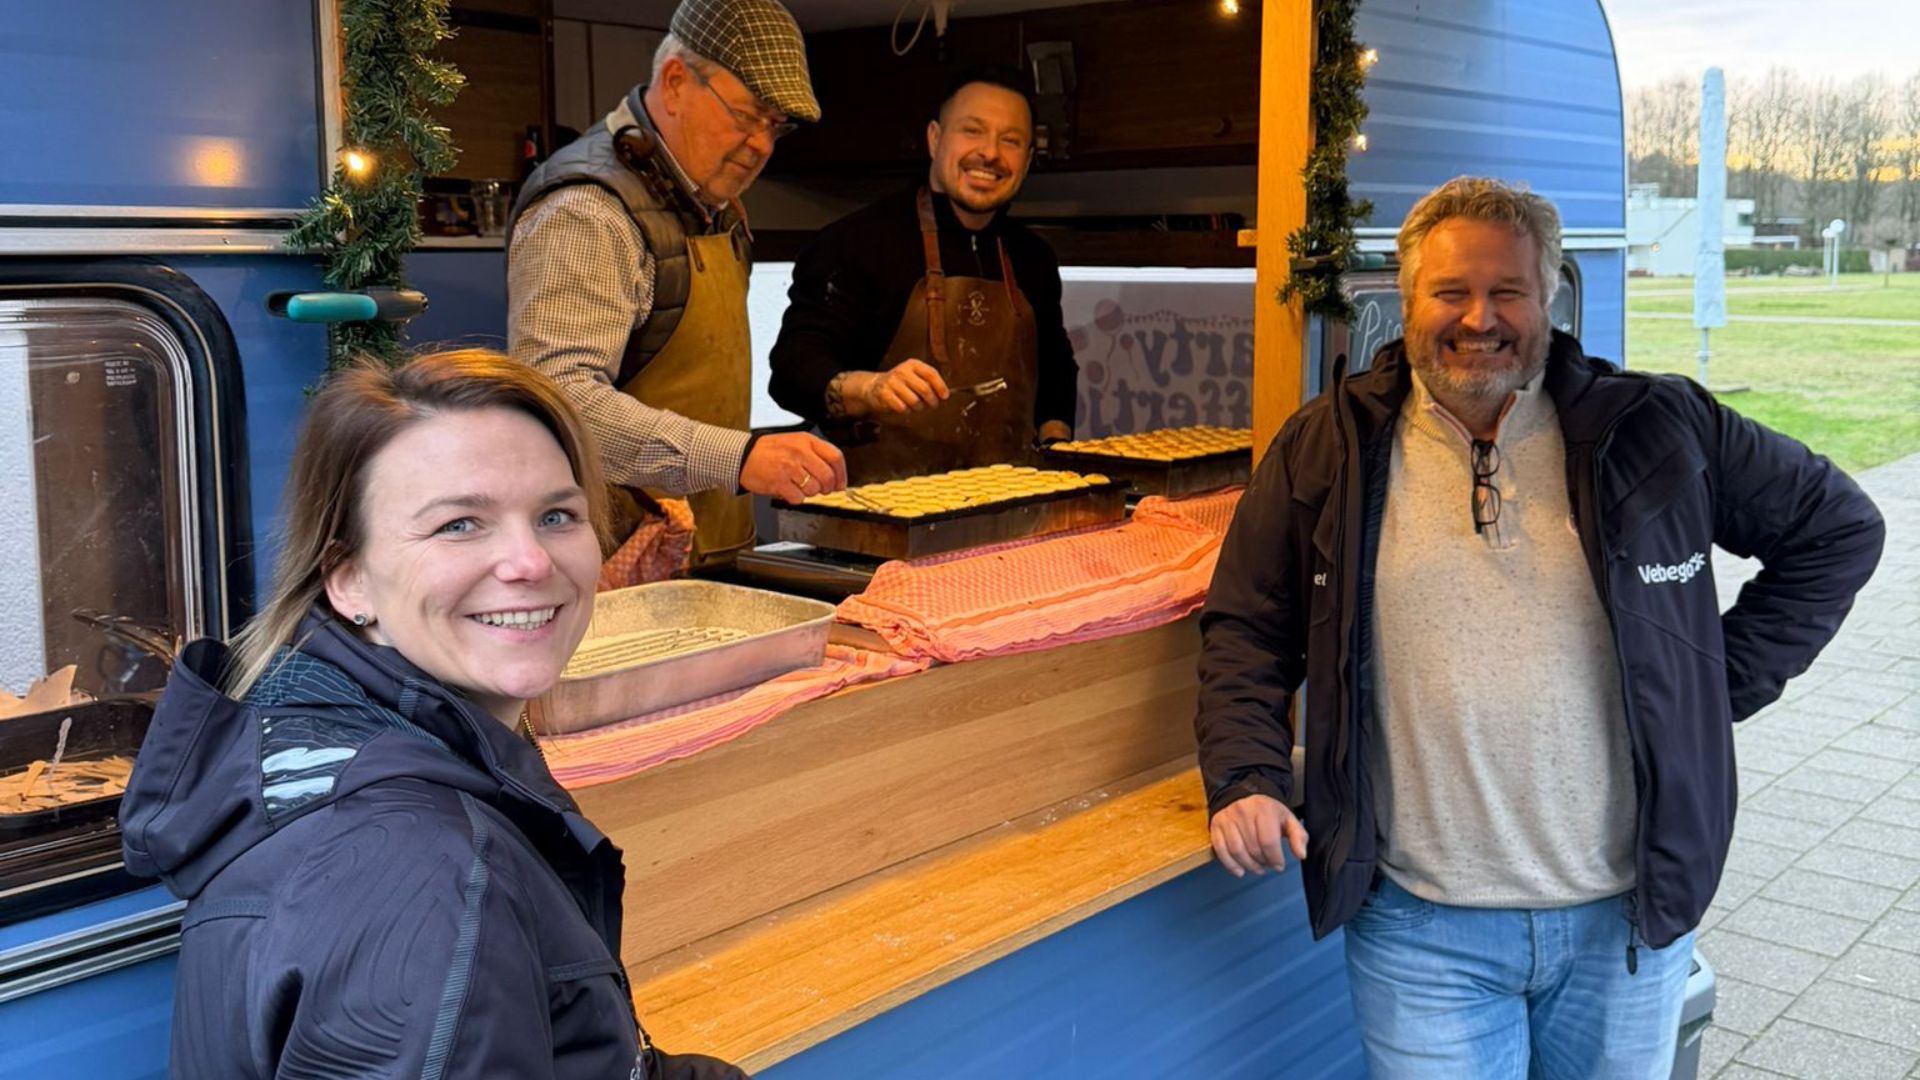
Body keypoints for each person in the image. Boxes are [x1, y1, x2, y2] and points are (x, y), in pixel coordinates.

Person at [1193, 177, 1885, 1078]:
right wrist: (1244, 775)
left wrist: (1709, 689)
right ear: (1406, 303)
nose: (1480, 318)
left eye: (1507, 291)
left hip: (1623, 927)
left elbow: (1839, 529)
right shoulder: (1329, 448)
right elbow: (1248, 625)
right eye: (1451, 292)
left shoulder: (1655, 427)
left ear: (1549, 297)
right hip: (1419, 930)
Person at [120, 350, 744, 1079]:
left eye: (555, 515)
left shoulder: (341, 749)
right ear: (349, 580)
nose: (530, 562)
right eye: (459, 525)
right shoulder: (424, 879)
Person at [508, 0, 845, 574]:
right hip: (615, 570)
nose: (762, 144)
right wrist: (738, 457)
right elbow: (561, 400)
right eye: (747, 115)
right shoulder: (588, 210)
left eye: (775, 126)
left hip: (710, 551)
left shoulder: (717, 206)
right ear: (675, 82)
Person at [767, 66, 1078, 483]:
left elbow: (1056, 371)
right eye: (972, 131)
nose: (990, 153)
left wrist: (1056, 449)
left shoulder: (1033, 259)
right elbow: (791, 372)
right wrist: (870, 388)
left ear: (1026, 160)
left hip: (1010, 510)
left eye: (1011, 140)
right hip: (877, 515)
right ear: (935, 138)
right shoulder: (856, 243)